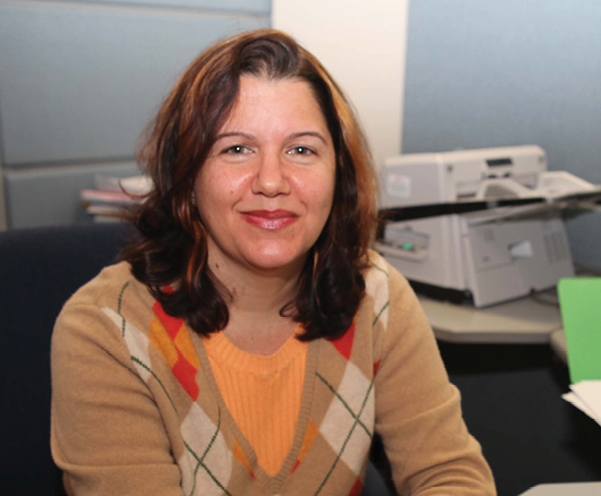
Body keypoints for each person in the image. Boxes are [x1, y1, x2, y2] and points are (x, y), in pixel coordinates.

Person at [50, 29, 496, 495]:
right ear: (187, 176)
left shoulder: (376, 296)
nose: (271, 181)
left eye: (301, 150)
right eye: (236, 149)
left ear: (338, 173)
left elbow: (448, 474)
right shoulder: (107, 330)